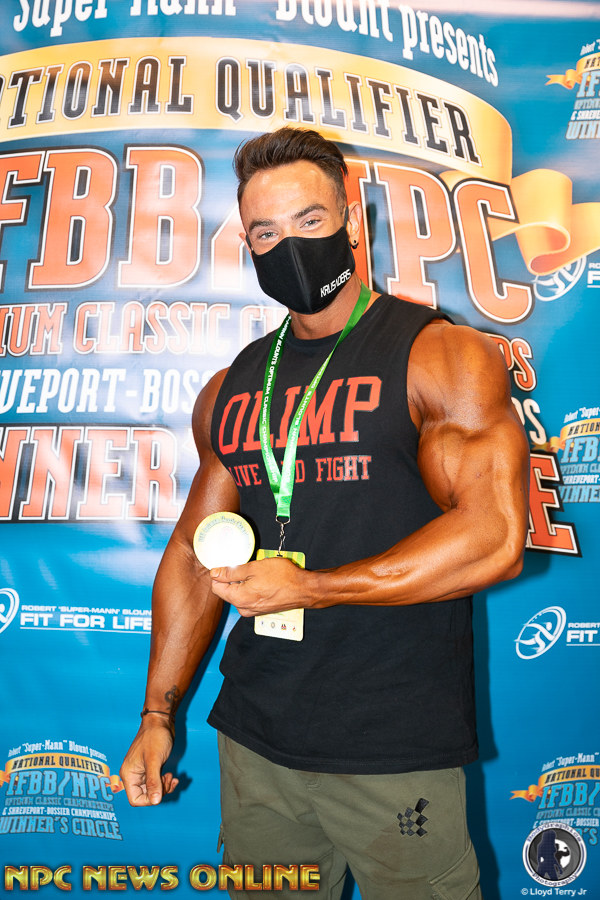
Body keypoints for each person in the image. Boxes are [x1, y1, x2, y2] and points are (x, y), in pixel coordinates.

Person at [120, 127, 530, 899]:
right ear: (247, 245)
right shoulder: (232, 386)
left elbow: (495, 537)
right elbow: (192, 557)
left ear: (351, 221)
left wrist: (315, 588)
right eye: (265, 233)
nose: (290, 247)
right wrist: (156, 715)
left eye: (309, 221)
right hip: (256, 739)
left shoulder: (439, 355)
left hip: (393, 743)